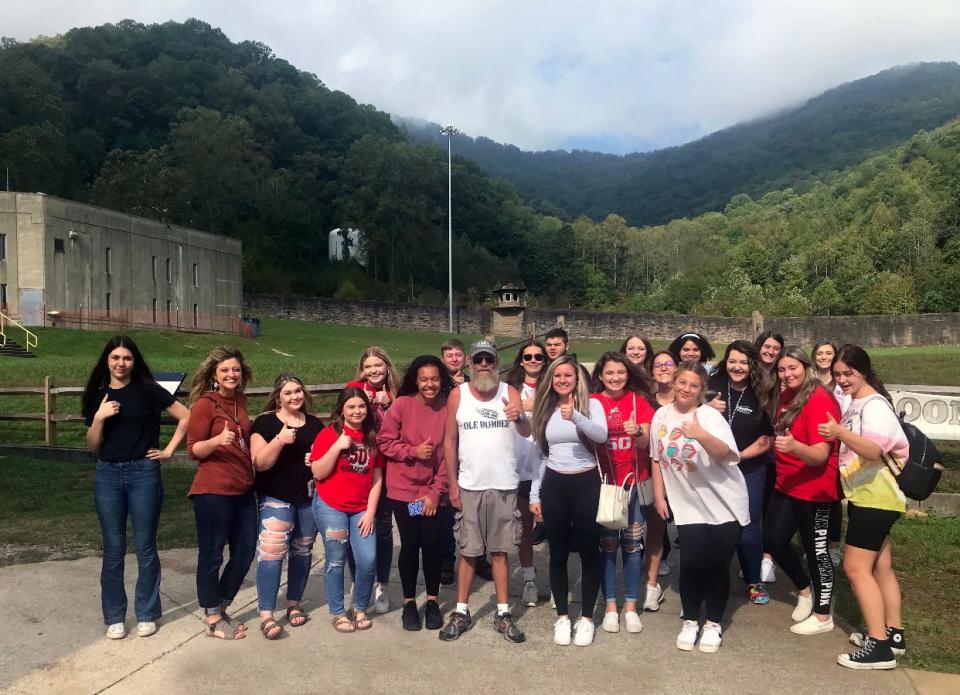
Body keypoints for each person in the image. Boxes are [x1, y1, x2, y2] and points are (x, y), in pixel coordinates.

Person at [82, 336, 190, 640]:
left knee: (145, 547)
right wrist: (99, 419)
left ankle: (146, 613)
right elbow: (92, 446)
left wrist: (168, 451)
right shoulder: (97, 396)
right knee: (113, 549)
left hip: (143, 473)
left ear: (134, 361)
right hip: (108, 476)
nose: (120, 363)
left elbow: (186, 417)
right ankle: (115, 616)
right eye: (115, 357)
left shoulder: (148, 390)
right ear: (107, 360)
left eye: (126, 358)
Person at [817, 345, 908, 669]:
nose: (842, 379)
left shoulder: (875, 406)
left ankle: (878, 646)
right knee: (881, 567)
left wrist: (839, 432)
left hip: (876, 498)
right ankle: (893, 634)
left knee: (856, 568)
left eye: (848, 373)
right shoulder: (857, 402)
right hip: (866, 496)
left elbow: (873, 449)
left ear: (864, 371)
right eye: (838, 374)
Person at [650, 362, 747, 653]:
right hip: (687, 504)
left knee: (717, 565)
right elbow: (656, 457)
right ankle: (691, 620)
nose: (685, 389)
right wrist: (659, 496)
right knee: (691, 564)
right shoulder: (661, 415)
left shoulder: (710, 417)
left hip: (724, 503)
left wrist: (699, 434)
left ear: (701, 390)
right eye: (682, 382)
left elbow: (728, 455)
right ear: (674, 381)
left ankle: (714, 624)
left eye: (693, 386)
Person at [440, 340, 530, 643]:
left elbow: (526, 431)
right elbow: (449, 442)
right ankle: (462, 611)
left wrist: (519, 416)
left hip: (504, 483)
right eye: (477, 359)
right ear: (469, 363)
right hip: (470, 484)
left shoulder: (509, 391)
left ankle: (503, 612)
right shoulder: (458, 394)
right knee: (467, 550)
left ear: (496, 363)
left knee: (500, 551)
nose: (483, 365)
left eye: (488, 360)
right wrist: (452, 482)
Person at [530, 354, 609, 647]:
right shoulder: (545, 407)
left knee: (590, 551)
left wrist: (575, 414)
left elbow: (600, 436)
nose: (562, 380)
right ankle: (562, 616)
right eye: (557, 376)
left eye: (568, 376)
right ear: (551, 380)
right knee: (558, 553)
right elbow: (540, 454)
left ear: (577, 379)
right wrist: (534, 493)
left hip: (586, 481)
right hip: (555, 483)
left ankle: (587, 617)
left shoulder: (593, 405)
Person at [763, 347, 842, 636]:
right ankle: (804, 590)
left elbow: (821, 455)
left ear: (806, 367)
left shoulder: (820, 399)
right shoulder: (786, 396)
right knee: (771, 539)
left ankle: (823, 616)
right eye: (782, 370)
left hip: (815, 489)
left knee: (816, 551)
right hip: (787, 483)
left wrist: (795, 447)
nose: (787, 374)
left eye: (792, 368)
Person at [376, 356, 453, 632]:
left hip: (435, 492)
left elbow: (450, 454)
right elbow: (384, 441)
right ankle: (410, 602)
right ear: (416, 381)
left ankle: (432, 600)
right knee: (411, 544)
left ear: (441, 380)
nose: (429, 384)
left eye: (434, 378)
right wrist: (412, 451)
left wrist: (435, 493)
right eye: (424, 379)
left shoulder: (448, 408)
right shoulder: (401, 405)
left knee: (432, 546)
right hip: (405, 493)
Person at [186, 347, 257, 641]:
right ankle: (213, 616)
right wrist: (217, 439)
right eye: (225, 370)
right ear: (215, 376)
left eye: (236, 370)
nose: (231, 374)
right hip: (213, 490)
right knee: (212, 554)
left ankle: (223, 604)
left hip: (243, 489)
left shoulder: (241, 400)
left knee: (246, 550)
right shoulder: (205, 405)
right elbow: (193, 450)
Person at [249, 373, 324, 640]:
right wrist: (280, 440)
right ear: (278, 396)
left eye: (298, 391)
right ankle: (266, 613)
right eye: (288, 393)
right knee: (271, 552)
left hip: (307, 497)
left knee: (302, 551)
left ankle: (294, 603)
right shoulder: (265, 423)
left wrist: (314, 460)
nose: (295, 397)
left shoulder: (315, 424)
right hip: (275, 497)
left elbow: (325, 462)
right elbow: (259, 463)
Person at [309, 387, 384, 633]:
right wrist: (337, 446)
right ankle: (338, 611)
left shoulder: (372, 436)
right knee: (336, 559)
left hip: (362, 508)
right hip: (332, 506)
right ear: (342, 409)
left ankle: (360, 607)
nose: (357, 411)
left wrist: (371, 512)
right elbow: (318, 471)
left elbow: (376, 478)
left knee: (367, 560)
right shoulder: (329, 434)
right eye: (351, 407)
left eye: (361, 406)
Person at [590, 353, 655, 635]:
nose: (615, 378)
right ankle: (610, 607)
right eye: (609, 373)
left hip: (633, 483)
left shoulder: (637, 401)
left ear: (627, 374)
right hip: (605, 484)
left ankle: (630, 606)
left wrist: (637, 429)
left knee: (631, 547)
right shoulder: (593, 402)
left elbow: (646, 440)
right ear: (601, 376)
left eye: (620, 372)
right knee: (607, 547)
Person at [708, 341, 774, 605]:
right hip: (713, 468)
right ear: (726, 361)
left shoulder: (763, 393)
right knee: (714, 523)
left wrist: (739, 456)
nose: (737, 367)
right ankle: (712, 576)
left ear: (753, 365)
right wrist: (706, 408)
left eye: (744, 362)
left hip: (749, 469)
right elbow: (689, 416)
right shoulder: (713, 386)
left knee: (748, 526)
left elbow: (768, 437)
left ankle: (753, 580)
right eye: (733, 361)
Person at [345, 346, 399, 614]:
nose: (373, 370)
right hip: (362, 468)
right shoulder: (354, 388)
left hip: (393, 470)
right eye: (368, 366)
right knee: (357, 525)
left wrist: (388, 404)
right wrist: (364, 402)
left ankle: (382, 585)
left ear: (387, 366)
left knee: (384, 527)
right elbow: (342, 419)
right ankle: (358, 581)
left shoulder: (397, 393)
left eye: (378, 365)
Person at [504, 339, 549, 607]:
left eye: (538, 357)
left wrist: (535, 406)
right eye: (528, 357)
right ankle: (529, 580)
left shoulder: (553, 387)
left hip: (547, 466)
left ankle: (552, 581)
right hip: (518, 466)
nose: (533, 361)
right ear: (521, 361)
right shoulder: (510, 390)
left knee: (549, 526)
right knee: (522, 529)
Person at [644, 350, 678, 609]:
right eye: (658, 365)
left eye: (668, 363)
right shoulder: (645, 401)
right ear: (652, 371)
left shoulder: (688, 399)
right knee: (655, 530)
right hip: (652, 471)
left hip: (684, 476)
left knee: (690, 533)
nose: (664, 368)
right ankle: (651, 585)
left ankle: (692, 584)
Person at [811, 340, 847, 567]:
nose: (824, 357)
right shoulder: (809, 380)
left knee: (833, 499)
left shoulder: (842, 382)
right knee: (816, 499)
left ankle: (833, 546)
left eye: (829, 353)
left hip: (839, 444)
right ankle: (816, 544)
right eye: (820, 353)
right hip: (814, 442)